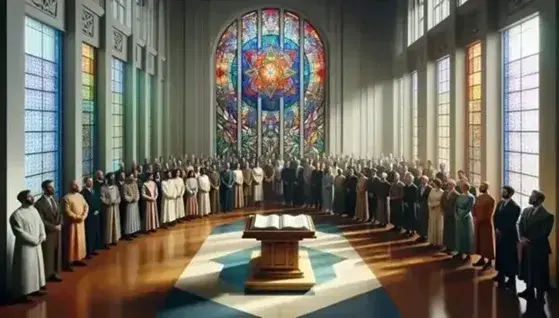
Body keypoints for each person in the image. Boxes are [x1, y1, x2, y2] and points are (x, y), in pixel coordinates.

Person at [517, 190, 554, 302]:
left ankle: (540, 295)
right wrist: (522, 237)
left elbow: (544, 232)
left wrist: (529, 240)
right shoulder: (526, 210)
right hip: (526, 246)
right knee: (527, 269)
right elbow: (520, 224)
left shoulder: (547, 216)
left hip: (539, 248)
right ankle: (529, 290)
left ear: (539, 200)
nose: (530, 198)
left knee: (539, 271)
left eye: (532, 197)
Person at [10, 190, 47, 301]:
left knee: (36, 268)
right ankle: (23, 294)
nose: (32, 197)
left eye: (31, 196)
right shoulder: (16, 215)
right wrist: (34, 240)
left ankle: (35, 289)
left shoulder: (34, 210)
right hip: (26, 247)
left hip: (37, 245)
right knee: (25, 270)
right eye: (29, 196)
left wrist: (42, 235)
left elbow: (40, 224)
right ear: (23, 199)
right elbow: (19, 232)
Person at [492, 185, 521, 289]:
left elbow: (511, 222)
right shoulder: (500, 203)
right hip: (499, 233)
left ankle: (512, 279)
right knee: (500, 254)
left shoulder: (515, 207)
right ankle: (500, 274)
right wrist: (496, 228)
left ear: (509, 193)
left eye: (504, 192)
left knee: (509, 257)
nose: (502, 193)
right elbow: (495, 216)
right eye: (502, 191)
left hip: (509, 235)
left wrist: (502, 230)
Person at [34, 180, 62, 282]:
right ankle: (45, 276)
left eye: (53, 187)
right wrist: (53, 227)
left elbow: (60, 213)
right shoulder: (39, 203)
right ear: (44, 189)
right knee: (47, 254)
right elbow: (41, 220)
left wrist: (60, 223)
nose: (53, 189)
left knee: (56, 253)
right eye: (50, 187)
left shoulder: (55, 198)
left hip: (57, 231)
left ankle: (54, 273)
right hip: (48, 233)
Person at [62, 180, 89, 270]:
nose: (77, 187)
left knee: (80, 242)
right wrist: (77, 217)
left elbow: (86, 206)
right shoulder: (66, 198)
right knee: (71, 242)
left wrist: (83, 216)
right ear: (71, 186)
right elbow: (67, 211)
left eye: (77, 185)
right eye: (75, 185)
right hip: (72, 224)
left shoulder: (80, 196)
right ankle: (69, 262)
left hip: (80, 223)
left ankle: (78, 258)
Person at [472, 182, 496, 270]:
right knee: (480, 241)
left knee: (487, 242)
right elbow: (474, 208)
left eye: (482, 186)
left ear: (486, 188)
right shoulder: (478, 198)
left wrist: (480, 219)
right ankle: (482, 258)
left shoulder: (491, 199)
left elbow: (490, 212)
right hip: (478, 222)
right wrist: (475, 216)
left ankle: (489, 260)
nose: (480, 187)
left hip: (486, 223)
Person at [81, 177, 102, 258]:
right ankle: (88, 251)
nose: (91, 183)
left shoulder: (94, 191)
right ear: (85, 182)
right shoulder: (83, 193)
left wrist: (98, 209)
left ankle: (93, 249)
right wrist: (91, 211)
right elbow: (85, 204)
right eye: (89, 181)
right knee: (89, 234)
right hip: (89, 216)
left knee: (95, 232)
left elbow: (98, 200)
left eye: (92, 181)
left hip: (96, 214)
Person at [454, 182, 475, 260]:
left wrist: (462, 216)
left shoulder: (471, 197)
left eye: (462, 187)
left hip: (466, 218)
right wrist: (456, 214)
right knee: (459, 234)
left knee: (466, 234)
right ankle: (459, 251)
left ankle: (467, 252)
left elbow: (469, 209)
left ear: (466, 188)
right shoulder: (460, 196)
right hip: (458, 216)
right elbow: (455, 206)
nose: (461, 188)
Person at [100, 172, 122, 245]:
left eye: (113, 177)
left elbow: (119, 196)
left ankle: (115, 239)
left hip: (115, 207)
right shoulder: (103, 188)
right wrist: (109, 202)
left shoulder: (116, 187)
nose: (113, 179)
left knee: (115, 223)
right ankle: (107, 241)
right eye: (111, 177)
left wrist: (116, 201)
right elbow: (102, 198)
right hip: (108, 208)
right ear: (108, 179)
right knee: (109, 224)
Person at [442, 179, 459, 254]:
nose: (449, 186)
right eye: (448, 184)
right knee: (446, 230)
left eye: (450, 184)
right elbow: (441, 201)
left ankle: (452, 247)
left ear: (454, 185)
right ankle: (447, 246)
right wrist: (443, 210)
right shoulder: (445, 192)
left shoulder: (456, 194)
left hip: (452, 215)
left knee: (452, 231)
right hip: (446, 213)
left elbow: (457, 205)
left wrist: (453, 212)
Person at [122, 173, 141, 239]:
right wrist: (131, 199)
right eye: (131, 177)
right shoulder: (125, 185)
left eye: (133, 177)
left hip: (135, 203)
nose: (132, 179)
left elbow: (138, 192)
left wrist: (137, 198)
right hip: (129, 204)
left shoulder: (135, 184)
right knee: (129, 219)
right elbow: (124, 195)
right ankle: (128, 234)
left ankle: (134, 232)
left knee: (135, 218)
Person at [427, 178, 444, 247]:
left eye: (434, 183)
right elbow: (428, 199)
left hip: (438, 210)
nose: (432, 184)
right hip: (432, 209)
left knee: (438, 225)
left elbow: (441, 201)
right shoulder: (432, 190)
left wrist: (434, 205)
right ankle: (432, 241)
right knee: (432, 224)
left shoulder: (442, 192)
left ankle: (438, 242)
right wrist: (430, 205)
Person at [417, 175, 432, 242]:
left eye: (423, 179)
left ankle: (426, 235)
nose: (422, 181)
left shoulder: (430, 188)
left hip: (426, 206)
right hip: (420, 206)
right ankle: (421, 235)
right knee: (421, 220)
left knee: (426, 221)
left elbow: (431, 198)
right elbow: (417, 195)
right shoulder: (419, 187)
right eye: (421, 179)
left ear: (426, 180)